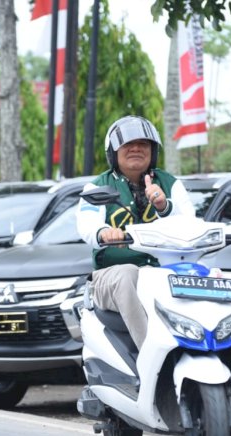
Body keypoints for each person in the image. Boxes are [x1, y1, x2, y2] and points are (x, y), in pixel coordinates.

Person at [76, 115, 195, 350]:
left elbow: (190, 226)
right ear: (114, 152)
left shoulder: (171, 184)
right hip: (110, 277)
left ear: (153, 151)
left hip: (162, 273)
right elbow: (87, 223)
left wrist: (164, 206)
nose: (136, 148)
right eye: (128, 144)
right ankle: (151, 353)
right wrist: (104, 233)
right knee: (128, 273)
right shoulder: (97, 187)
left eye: (143, 144)